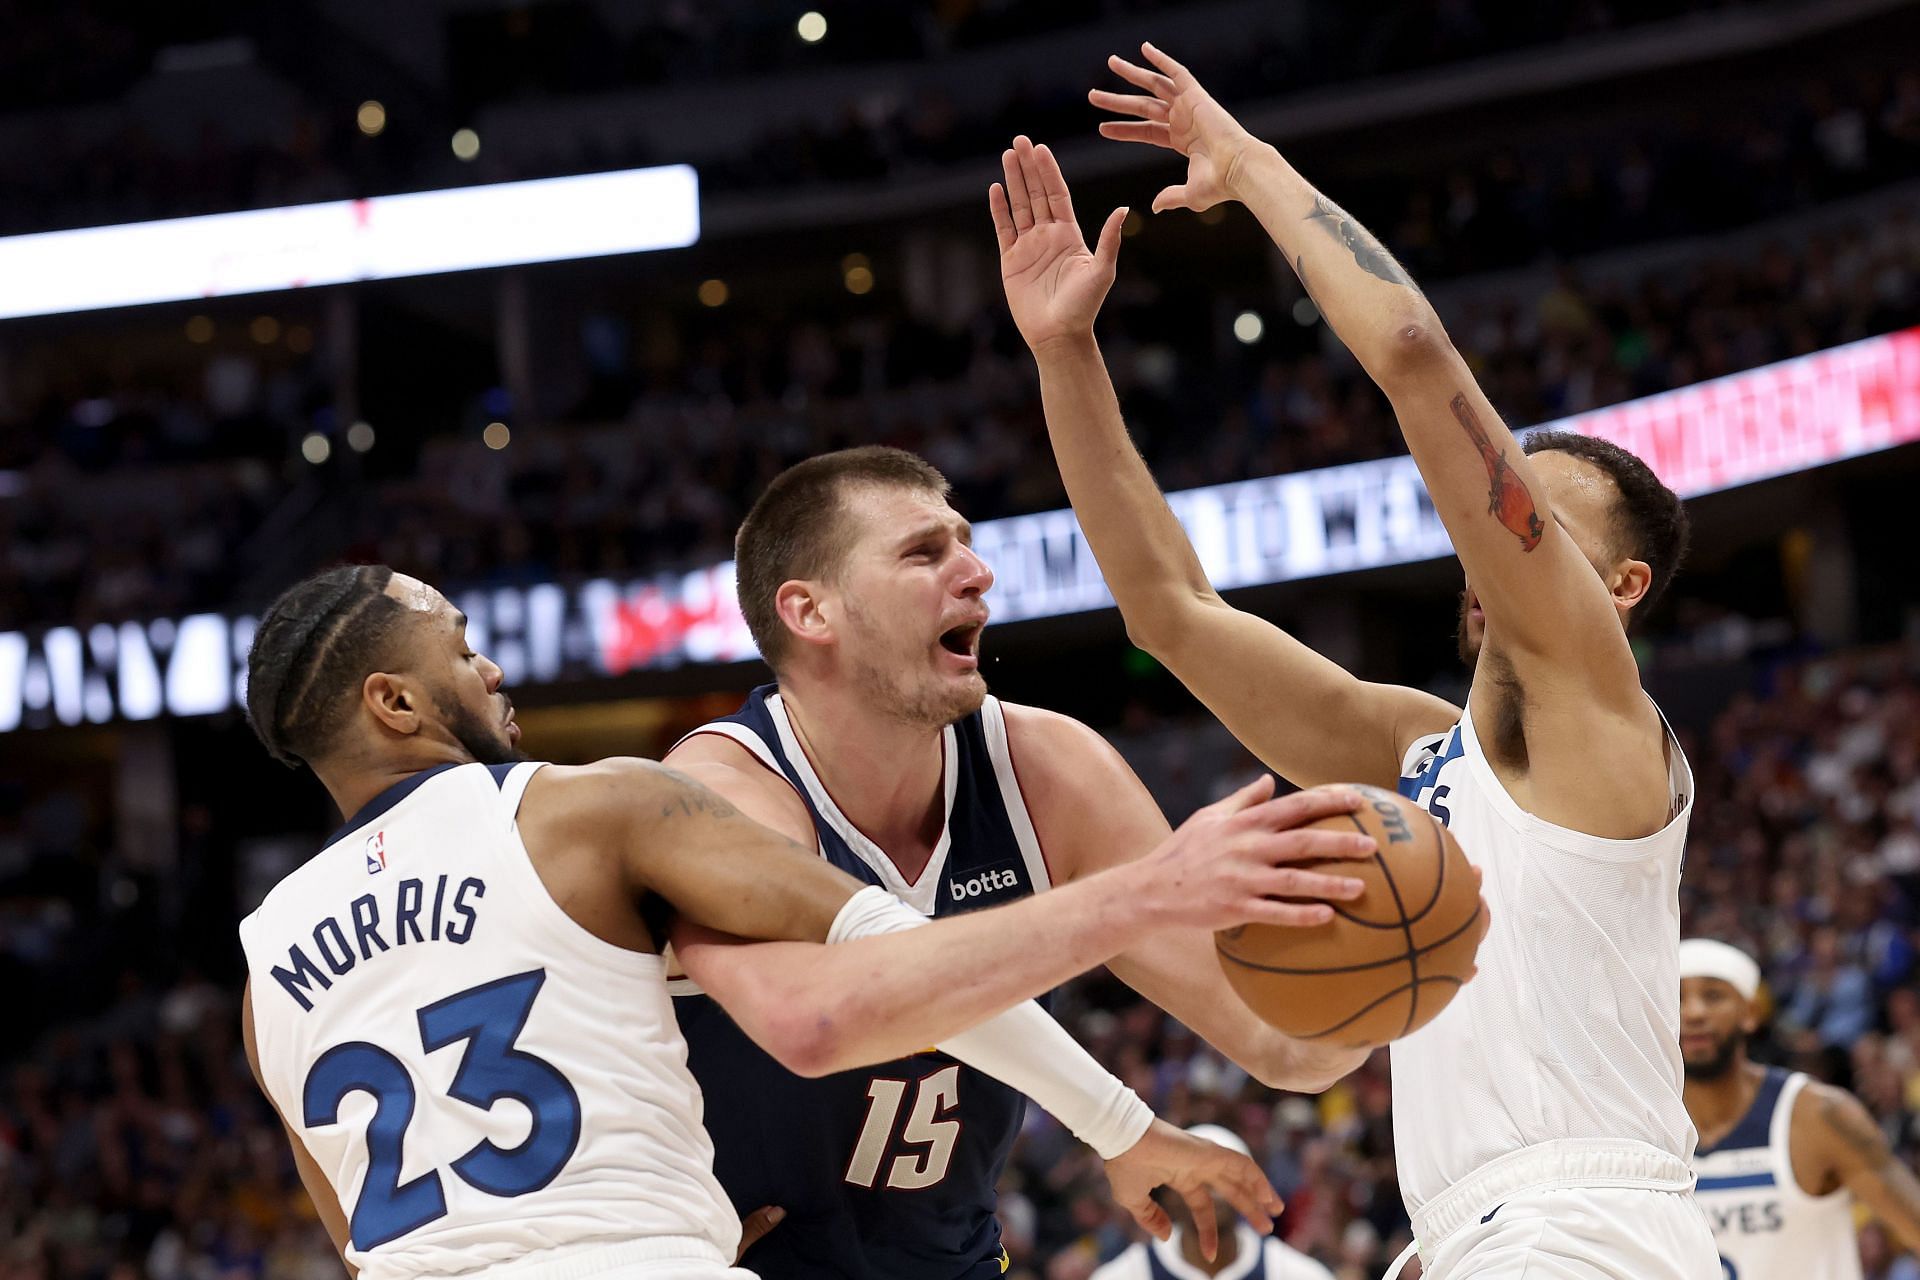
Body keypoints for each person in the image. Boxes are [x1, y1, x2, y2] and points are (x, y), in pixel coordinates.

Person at [993, 39, 1714, 1279]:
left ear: (1618, 588)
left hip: (1586, 1225)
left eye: (1537, 524)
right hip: (1476, 1229)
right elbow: (1168, 610)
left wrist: (1249, 164)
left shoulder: (1605, 717)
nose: (1499, 543)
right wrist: (1067, 353)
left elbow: (1418, 358)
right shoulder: (1413, 748)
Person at [235, 564, 1360, 1280]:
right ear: (394, 701)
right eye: (458, 642)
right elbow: (896, 956)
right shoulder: (590, 807)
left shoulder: (265, 963)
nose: (486, 662)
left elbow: (360, 1235)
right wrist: (1123, 1126)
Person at [663, 446, 1416, 1278]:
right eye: (924, 552)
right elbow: (828, 1015)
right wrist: (1141, 900)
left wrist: (1370, 952)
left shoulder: (1047, 770)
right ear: (811, 612)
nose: (978, 573)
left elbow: (1282, 1046)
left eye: (966, 543)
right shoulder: (720, 790)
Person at [1682, 938, 1920, 1280]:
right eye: (1675, 999)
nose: (1693, 1013)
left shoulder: (1820, 1115)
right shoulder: (1642, 1126)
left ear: (1750, 1012)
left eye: (1713, 995)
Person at [1090, 1125, 1336, 1280]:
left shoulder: (1299, 1274)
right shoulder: (1124, 1274)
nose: (1213, 1193)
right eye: (1199, 1181)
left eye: (1224, 1181)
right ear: (1170, 1194)